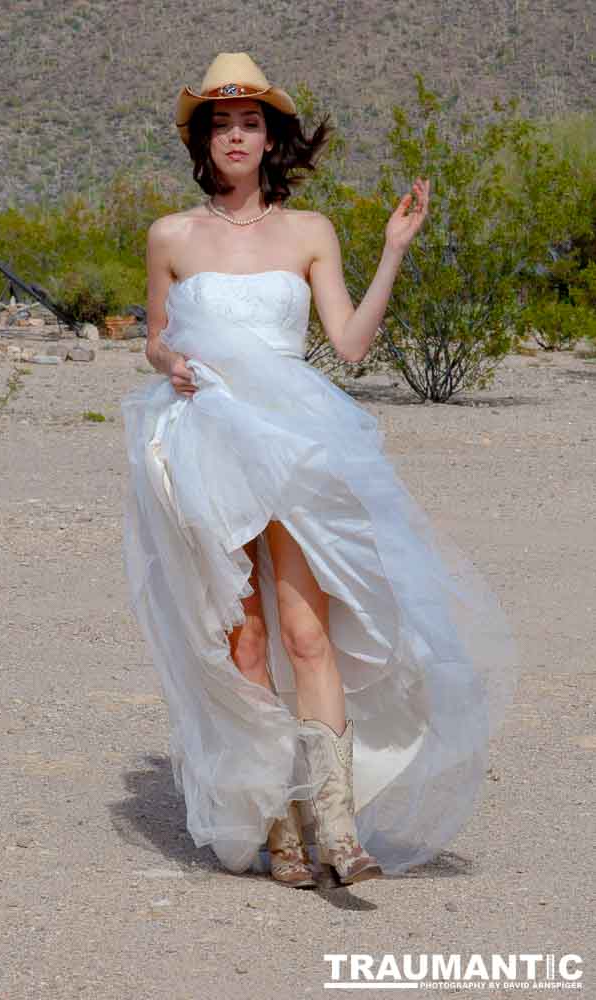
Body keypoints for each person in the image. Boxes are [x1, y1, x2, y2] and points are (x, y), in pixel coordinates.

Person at [120, 52, 518, 890]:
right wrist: (168, 362)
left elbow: (348, 344)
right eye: (221, 123)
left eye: (250, 122)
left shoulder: (309, 233)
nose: (236, 135)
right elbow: (155, 336)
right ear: (203, 138)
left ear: (272, 139)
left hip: (293, 444)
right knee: (246, 639)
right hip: (203, 448)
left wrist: (393, 250)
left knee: (308, 633)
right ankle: (279, 826)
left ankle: (337, 828)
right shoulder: (169, 235)